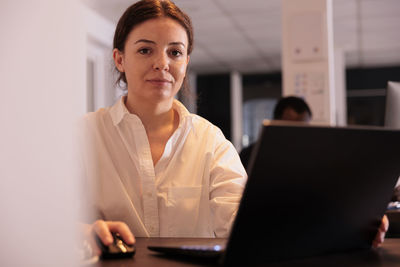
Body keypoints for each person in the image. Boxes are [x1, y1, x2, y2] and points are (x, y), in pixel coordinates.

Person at [81, 0, 246, 255]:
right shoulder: (84, 135)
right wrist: (80, 230)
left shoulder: (210, 141)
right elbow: (42, 213)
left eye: (175, 52)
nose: (162, 63)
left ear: (186, 61)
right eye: (146, 50)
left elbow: (241, 219)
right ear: (119, 59)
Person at [240, 96, 312, 170]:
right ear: (275, 122)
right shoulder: (252, 154)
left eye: (303, 128)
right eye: (292, 127)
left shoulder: (309, 156)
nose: (298, 134)